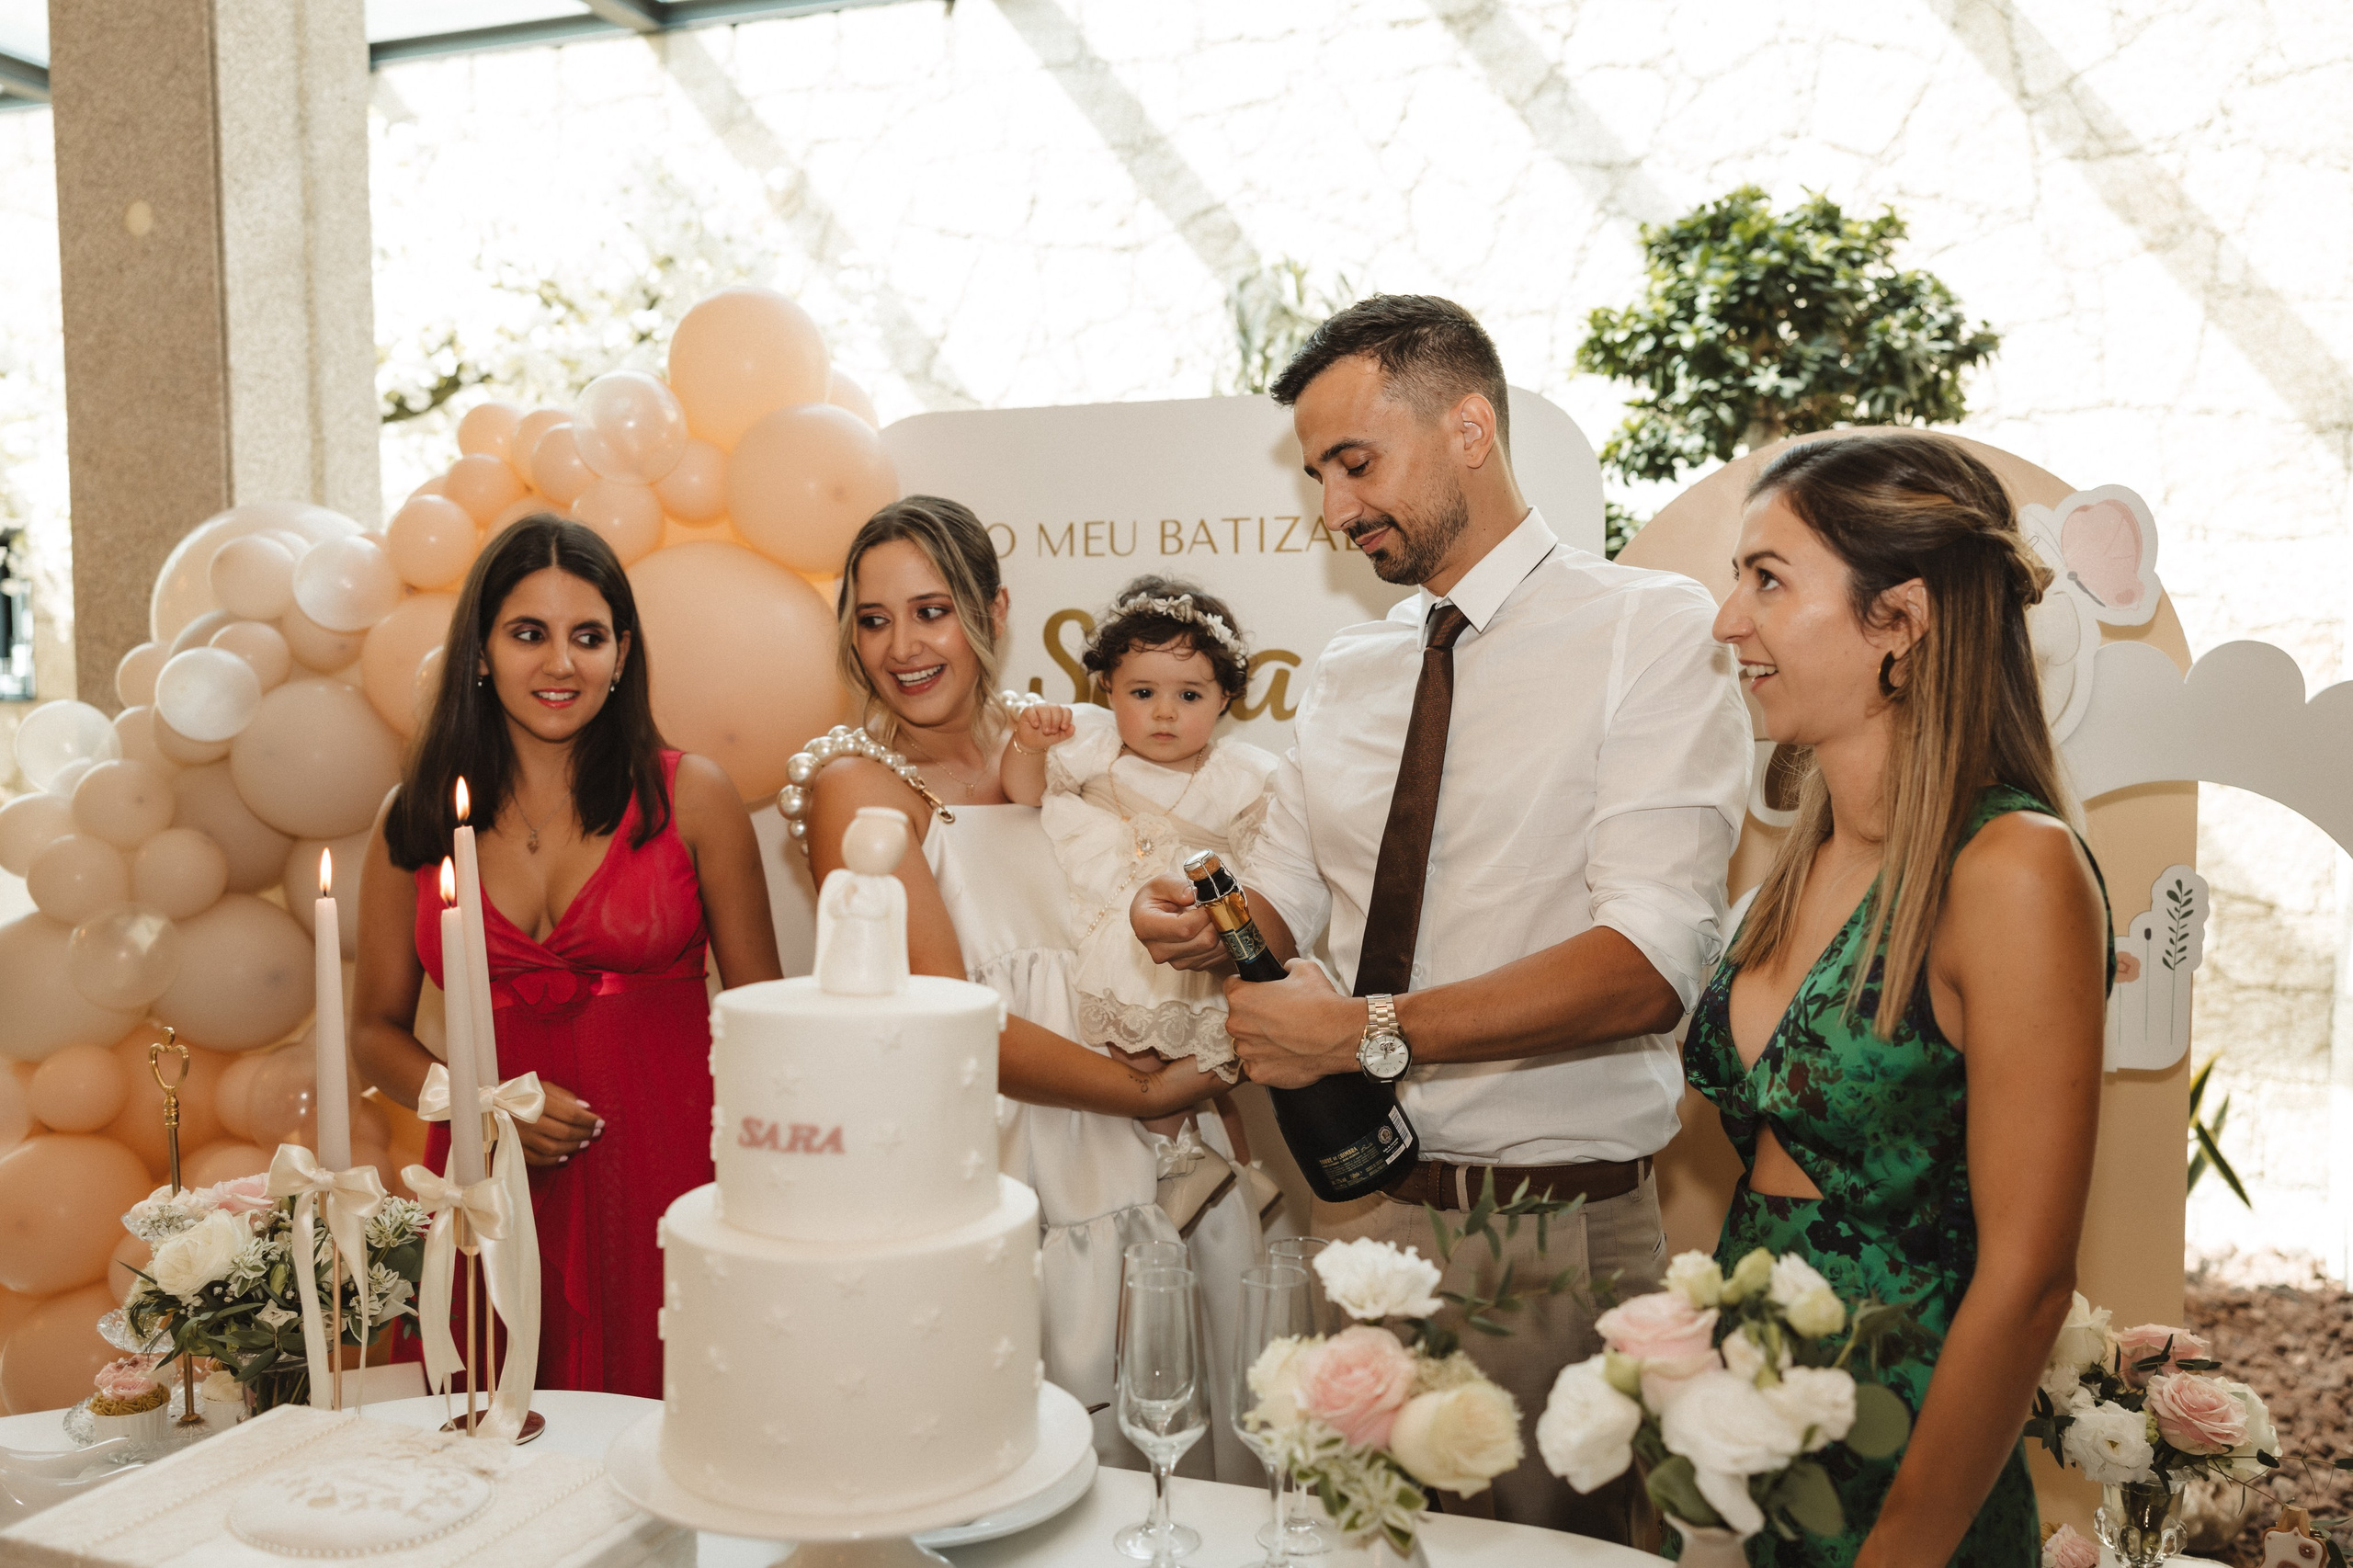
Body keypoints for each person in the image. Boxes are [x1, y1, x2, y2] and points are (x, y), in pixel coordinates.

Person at [1131, 294, 1753, 1539]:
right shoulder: (1353, 675)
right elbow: (1299, 902)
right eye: (1318, 474)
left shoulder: (1651, 631)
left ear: (1470, 426)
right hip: (1355, 1221)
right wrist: (1216, 924)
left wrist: (1362, 1030)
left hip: (1552, 1238)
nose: (1335, 507)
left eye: (1355, 461)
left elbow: (1649, 962)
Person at [1684, 433, 2111, 1567]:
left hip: (1912, 1471)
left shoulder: (2014, 868)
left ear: (1901, 621)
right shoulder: (1812, 849)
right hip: (1763, 1439)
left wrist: (1904, 1548)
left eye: (1767, 578)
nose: (1730, 620)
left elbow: (2026, 1279)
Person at [795, 497, 1268, 1476]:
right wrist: (1145, 1092)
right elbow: (945, 1019)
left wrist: (1208, 1087)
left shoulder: (1077, 743)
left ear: (994, 610)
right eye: (872, 619)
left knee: (1211, 1418)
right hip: (1018, 1153)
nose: (902, 646)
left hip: (1179, 1135)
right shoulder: (856, 781)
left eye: (931, 610)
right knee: (1062, 1448)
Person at [353, 515, 782, 1399]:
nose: (561, 663)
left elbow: (768, 1023)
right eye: (528, 634)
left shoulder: (690, 797)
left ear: (622, 654)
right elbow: (372, 1030)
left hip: (667, 1171)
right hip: (486, 1185)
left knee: (676, 1438)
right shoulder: (417, 817)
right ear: (480, 651)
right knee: (489, 1458)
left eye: (588, 636)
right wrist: (476, 1104)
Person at [1001, 574, 1279, 1222]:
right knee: (1133, 1052)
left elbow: (1270, 866)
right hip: (1119, 934)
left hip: (1190, 933)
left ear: (1225, 698)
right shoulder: (1091, 745)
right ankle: (1184, 1162)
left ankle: (1239, 1173)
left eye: (1189, 695)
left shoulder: (1241, 777)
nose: (1163, 713)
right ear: (1108, 689)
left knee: (1210, 1075)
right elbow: (1022, 794)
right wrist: (1027, 745)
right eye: (1142, 693)